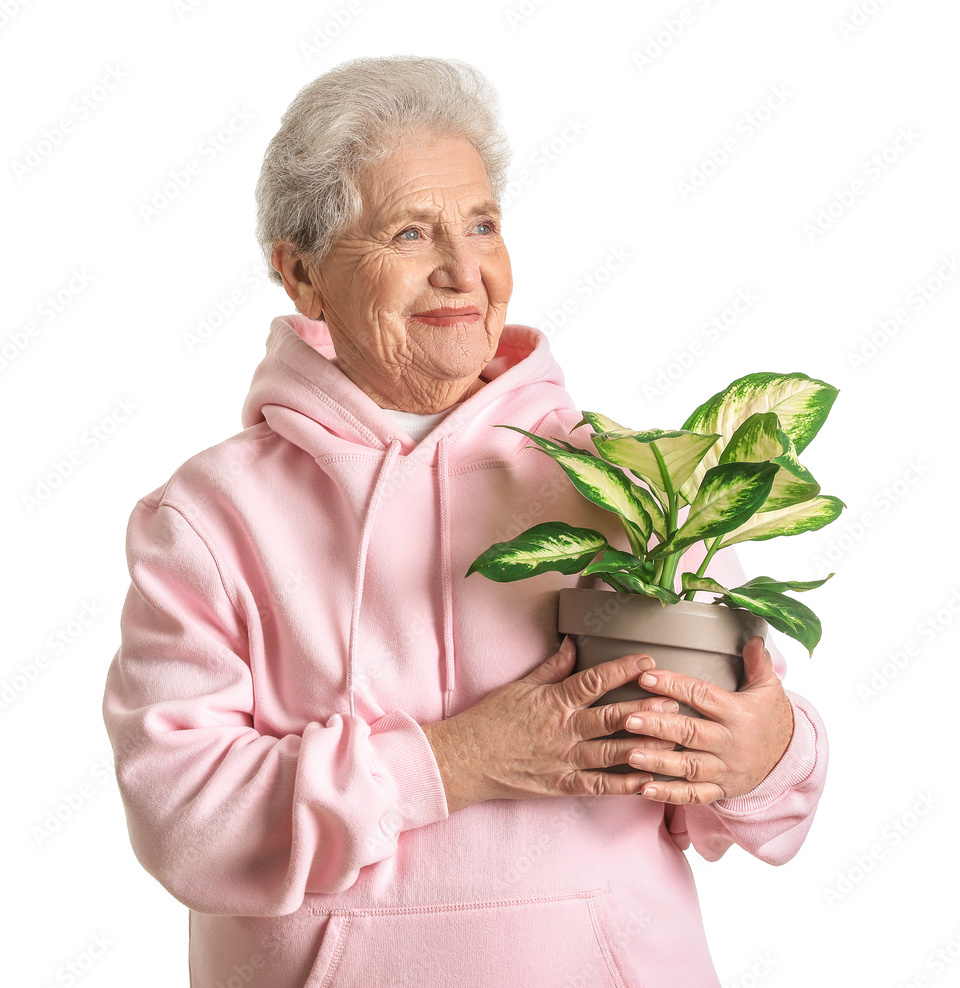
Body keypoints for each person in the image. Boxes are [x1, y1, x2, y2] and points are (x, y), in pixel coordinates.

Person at [102, 55, 828, 987]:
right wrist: (454, 762)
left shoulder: (625, 482)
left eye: (482, 224)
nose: (463, 269)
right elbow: (184, 820)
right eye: (410, 231)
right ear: (302, 273)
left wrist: (767, 753)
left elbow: (759, 810)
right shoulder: (207, 519)